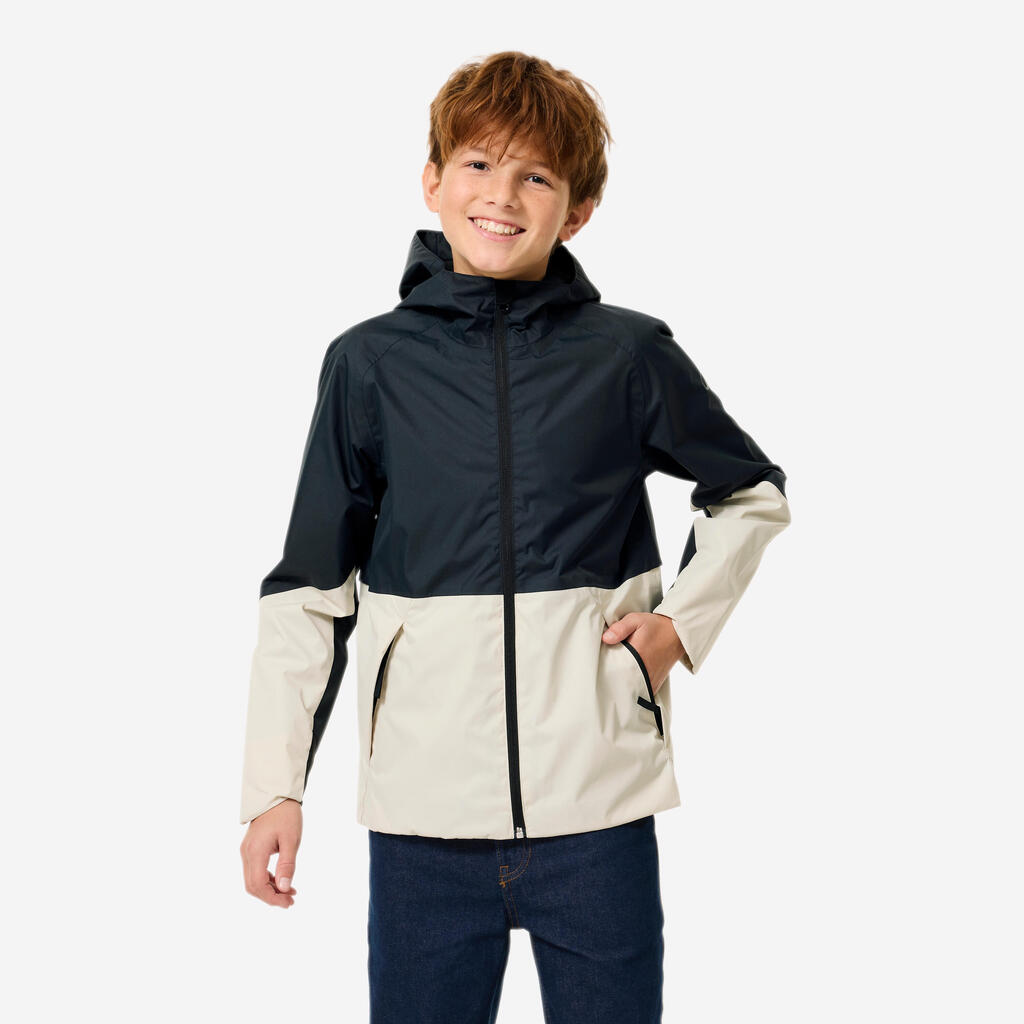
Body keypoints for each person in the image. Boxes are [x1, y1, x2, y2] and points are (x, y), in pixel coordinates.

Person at [239, 50, 790, 1023]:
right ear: (432, 180)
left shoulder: (626, 355)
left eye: (537, 175)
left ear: (577, 211)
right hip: (422, 819)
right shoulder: (368, 365)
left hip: (598, 807)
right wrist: (273, 789)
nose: (502, 195)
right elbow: (309, 592)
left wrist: (680, 627)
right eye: (478, 164)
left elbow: (749, 493)